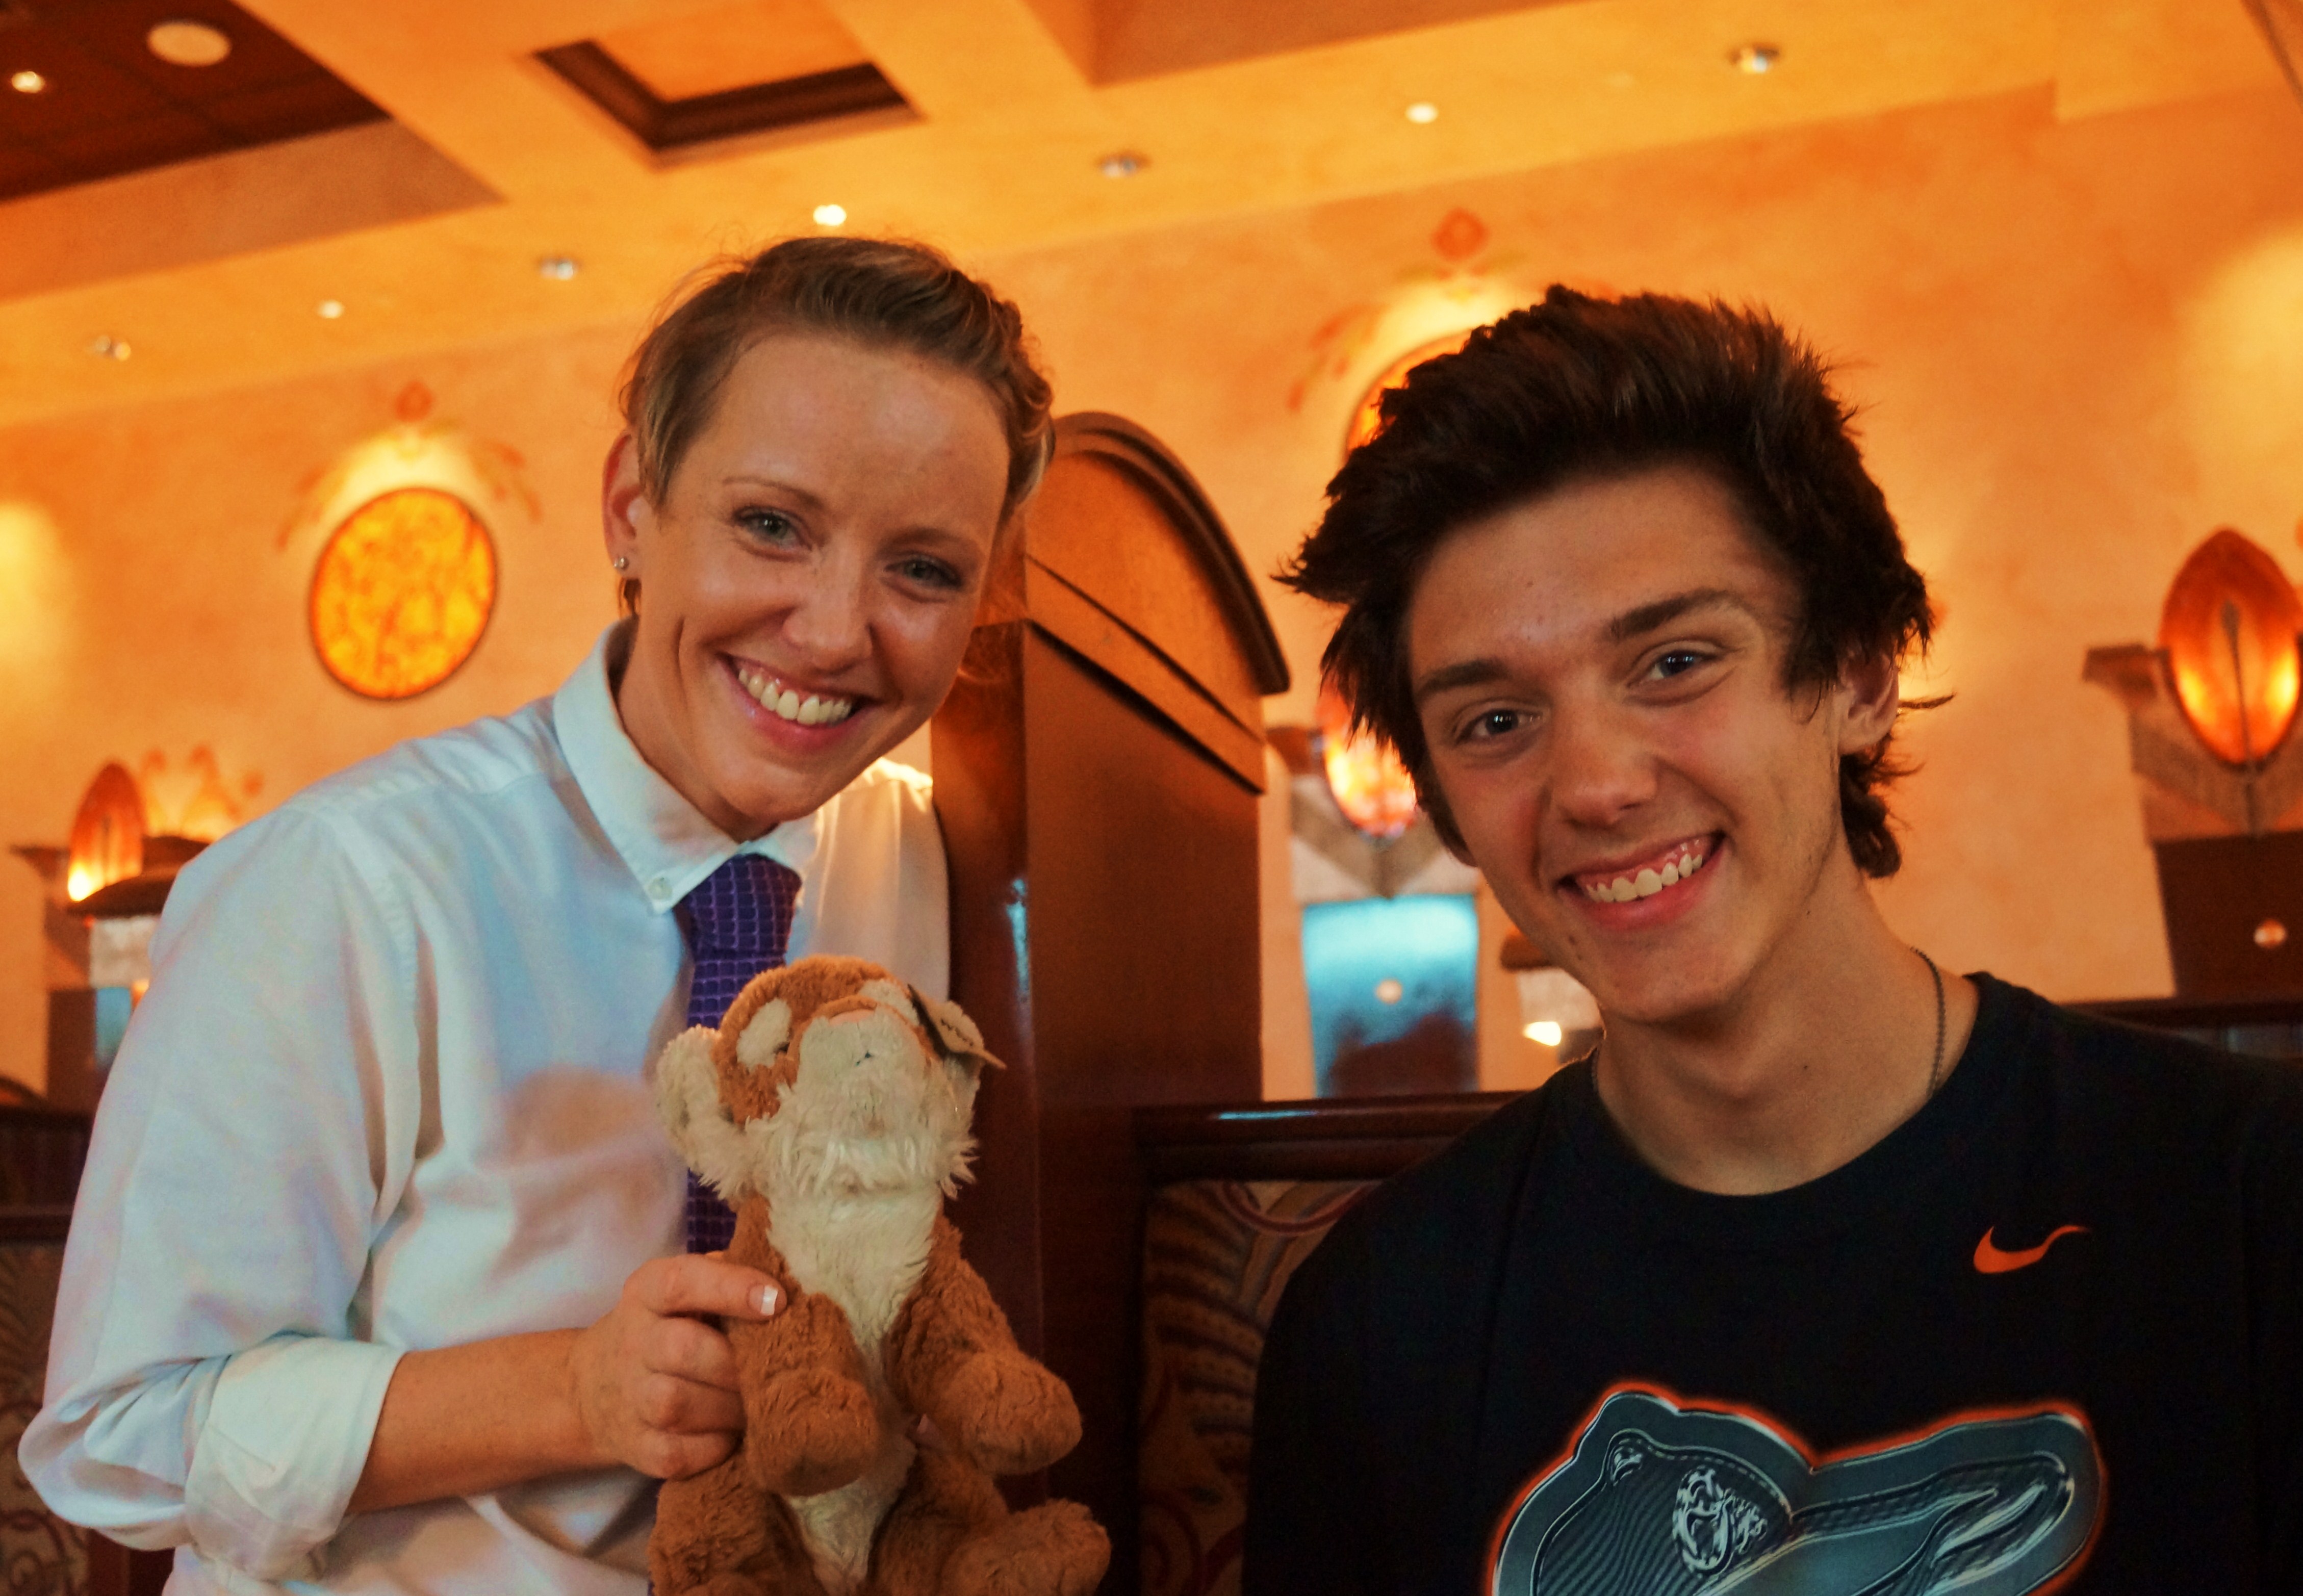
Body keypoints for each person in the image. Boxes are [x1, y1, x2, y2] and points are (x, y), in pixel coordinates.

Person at [23, 236, 1054, 1594]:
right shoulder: (345, 880)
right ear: (633, 506)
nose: (829, 630)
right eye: (771, 525)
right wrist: (570, 1391)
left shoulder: (930, 861)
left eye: (920, 569)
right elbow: (122, 1430)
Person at [1243, 287, 2303, 1594]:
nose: (1595, 784)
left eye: (1674, 662)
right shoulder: (1378, 1319)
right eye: (1495, 722)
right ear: (1447, 806)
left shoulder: (2242, 1198)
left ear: (1858, 674)